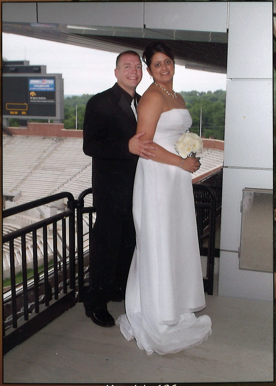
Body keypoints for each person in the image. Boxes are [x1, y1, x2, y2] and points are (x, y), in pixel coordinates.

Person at [117, 41, 212, 354]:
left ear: (174, 63)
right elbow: (145, 146)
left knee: (175, 240)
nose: (164, 68)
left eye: (167, 62)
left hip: (176, 180)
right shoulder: (153, 97)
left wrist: (189, 155)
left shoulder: (176, 96)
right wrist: (182, 162)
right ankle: (157, 313)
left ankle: (175, 304)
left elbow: (173, 138)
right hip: (158, 178)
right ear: (149, 70)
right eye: (157, 64)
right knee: (158, 241)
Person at [83, 50, 156, 327]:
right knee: (106, 248)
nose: (133, 71)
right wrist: (126, 147)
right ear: (116, 72)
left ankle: (117, 290)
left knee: (128, 245)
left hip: (138, 190)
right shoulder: (99, 102)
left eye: (137, 66)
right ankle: (95, 303)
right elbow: (90, 145)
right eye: (127, 66)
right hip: (111, 191)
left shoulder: (142, 101)